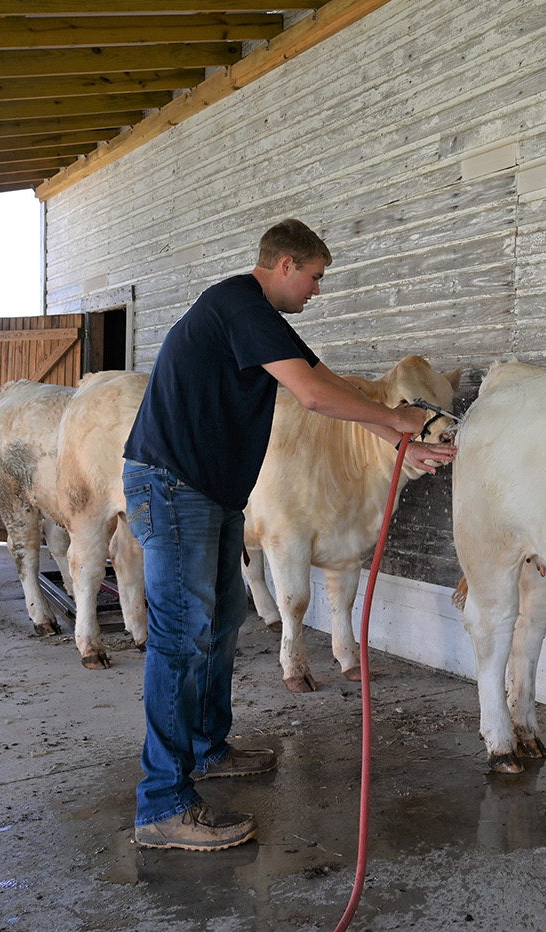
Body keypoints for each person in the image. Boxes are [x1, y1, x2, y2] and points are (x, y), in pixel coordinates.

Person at [123, 218, 455, 851]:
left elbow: (328, 381)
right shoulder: (237, 305)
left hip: (210, 491)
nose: (317, 290)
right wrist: (394, 418)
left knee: (220, 624)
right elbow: (310, 394)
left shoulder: (259, 318)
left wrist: (401, 441)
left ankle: (206, 748)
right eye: (315, 277)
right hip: (174, 487)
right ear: (284, 265)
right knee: (180, 637)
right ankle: (161, 803)